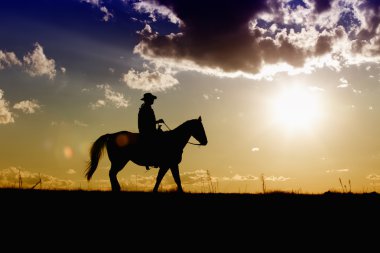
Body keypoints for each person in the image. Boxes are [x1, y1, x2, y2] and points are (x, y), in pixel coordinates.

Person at [138, 92, 164, 170]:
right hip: (146, 131)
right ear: (148, 100)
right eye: (152, 99)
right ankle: (154, 159)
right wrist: (157, 121)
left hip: (147, 129)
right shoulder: (146, 108)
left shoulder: (146, 107)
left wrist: (156, 122)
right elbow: (147, 122)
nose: (153, 100)